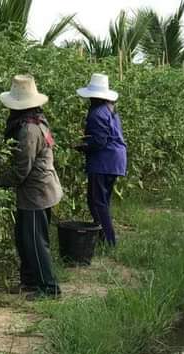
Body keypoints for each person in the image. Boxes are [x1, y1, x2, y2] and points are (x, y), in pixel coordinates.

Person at [0, 75, 63, 299]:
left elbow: (21, 170)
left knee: (34, 241)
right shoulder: (36, 121)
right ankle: (30, 282)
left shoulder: (28, 131)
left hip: (37, 193)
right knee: (24, 238)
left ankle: (49, 288)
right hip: (37, 190)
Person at [75, 73, 127, 247]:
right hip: (115, 160)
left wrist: (80, 146)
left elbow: (98, 141)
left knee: (96, 202)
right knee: (102, 202)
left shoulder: (97, 113)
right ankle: (105, 238)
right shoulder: (109, 109)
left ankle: (108, 241)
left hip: (103, 162)